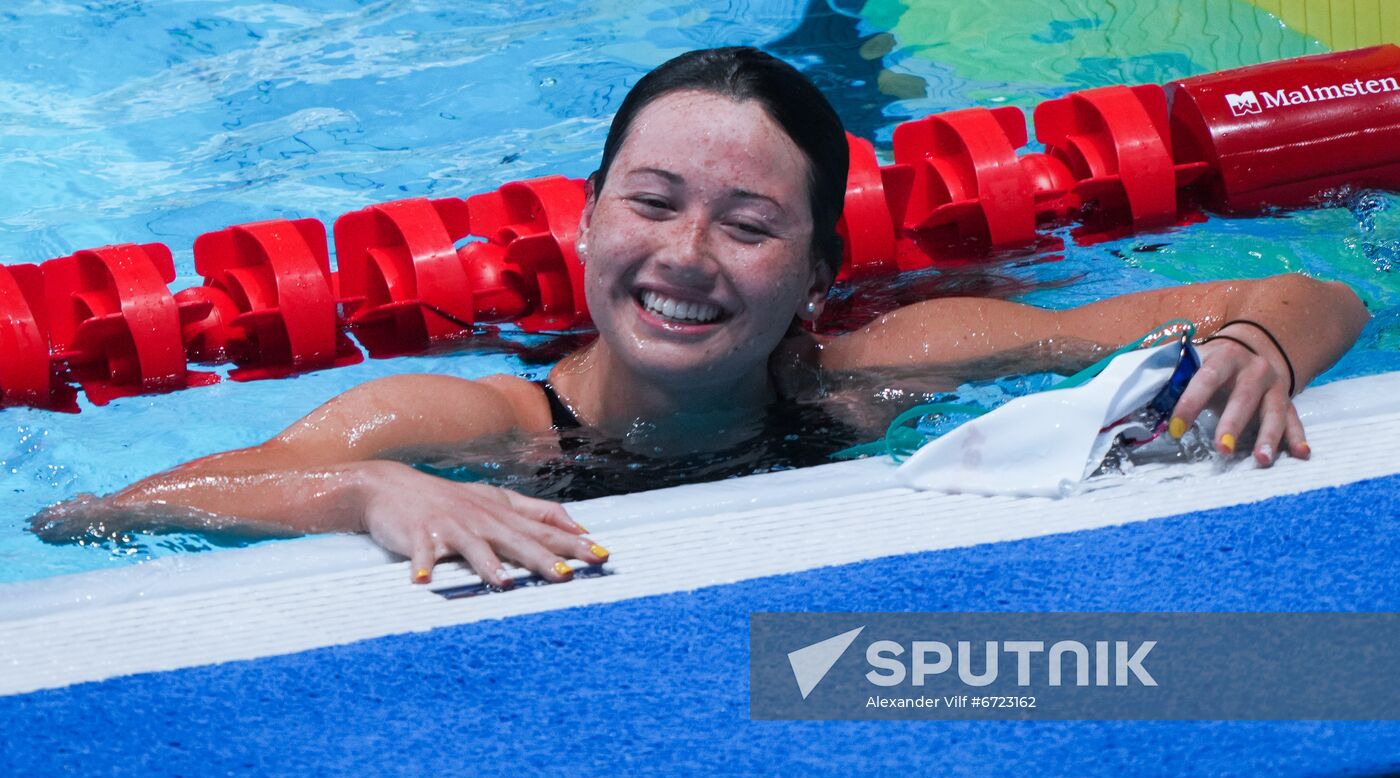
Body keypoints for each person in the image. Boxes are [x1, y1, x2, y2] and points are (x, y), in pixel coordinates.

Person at [31, 47, 1370, 587]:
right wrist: (371, 488)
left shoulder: (873, 369)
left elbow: (1308, 290)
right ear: (588, 218)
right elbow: (82, 511)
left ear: (813, 264)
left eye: (746, 223)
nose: (686, 256)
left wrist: (1256, 342)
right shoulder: (486, 422)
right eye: (652, 204)